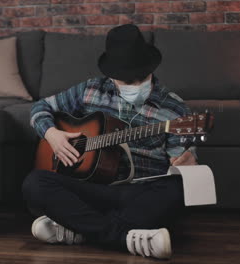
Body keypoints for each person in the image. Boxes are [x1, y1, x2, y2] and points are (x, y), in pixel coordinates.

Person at [22, 24, 198, 259]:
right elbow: (40, 107)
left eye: (141, 77)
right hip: (92, 189)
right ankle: (127, 237)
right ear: (112, 74)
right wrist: (52, 135)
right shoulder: (90, 90)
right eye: (127, 81)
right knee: (34, 183)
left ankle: (82, 230)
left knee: (177, 190)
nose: (136, 86)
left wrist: (187, 162)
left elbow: (181, 162)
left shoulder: (175, 109)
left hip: (140, 193)